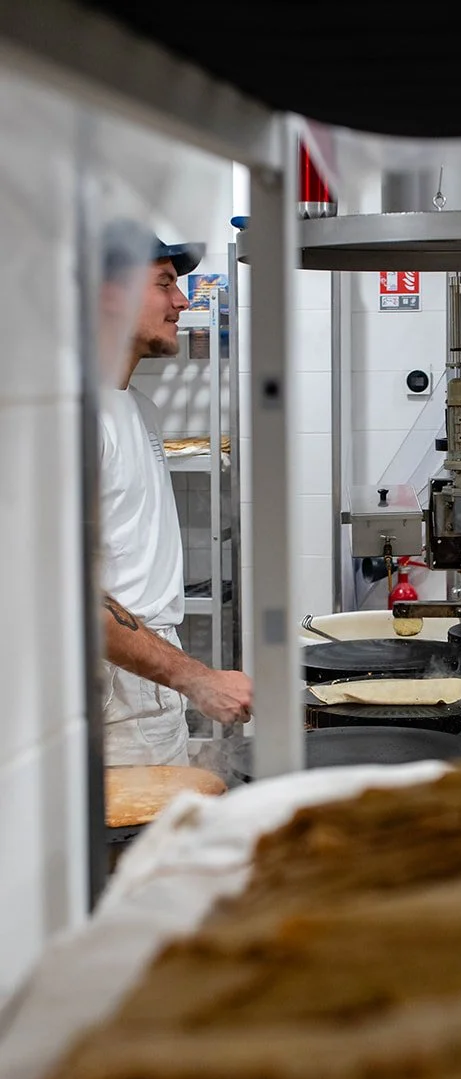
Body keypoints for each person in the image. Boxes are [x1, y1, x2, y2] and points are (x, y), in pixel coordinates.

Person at [98, 221, 253, 766]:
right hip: (111, 696)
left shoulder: (137, 407)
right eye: (164, 282)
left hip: (147, 678)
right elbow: (67, 596)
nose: (182, 301)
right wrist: (198, 679)